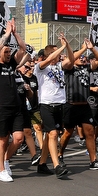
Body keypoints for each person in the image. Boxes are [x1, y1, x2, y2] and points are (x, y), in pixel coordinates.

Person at [0, 20, 31, 182]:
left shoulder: (12, 64)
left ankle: (5, 159)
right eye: (6, 52)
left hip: (16, 107)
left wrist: (15, 33)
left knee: (19, 138)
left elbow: (24, 48)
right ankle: (1, 171)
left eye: (9, 52)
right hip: (0, 107)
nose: (8, 54)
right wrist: (6, 34)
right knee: (2, 139)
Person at [59, 39, 98, 169]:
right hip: (71, 105)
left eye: (83, 57)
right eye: (79, 57)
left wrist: (91, 49)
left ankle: (93, 161)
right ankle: (59, 155)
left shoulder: (87, 68)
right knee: (68, 132)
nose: (82, 59)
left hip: (85, 105)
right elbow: (69, 60)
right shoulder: (68, 68)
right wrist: (82, 49)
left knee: (90, 132)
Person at [33, 33, 73, 178]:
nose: (60, 55)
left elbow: (72, 60)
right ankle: (56, 165)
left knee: (49, 135)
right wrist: (61, 47)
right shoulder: (40, 67)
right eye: (58, 52)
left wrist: (67, 45)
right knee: (53, 134)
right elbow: (49, 59)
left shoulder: (59, 66)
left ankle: (42, 164)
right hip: (46, 104)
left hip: (59, 104)